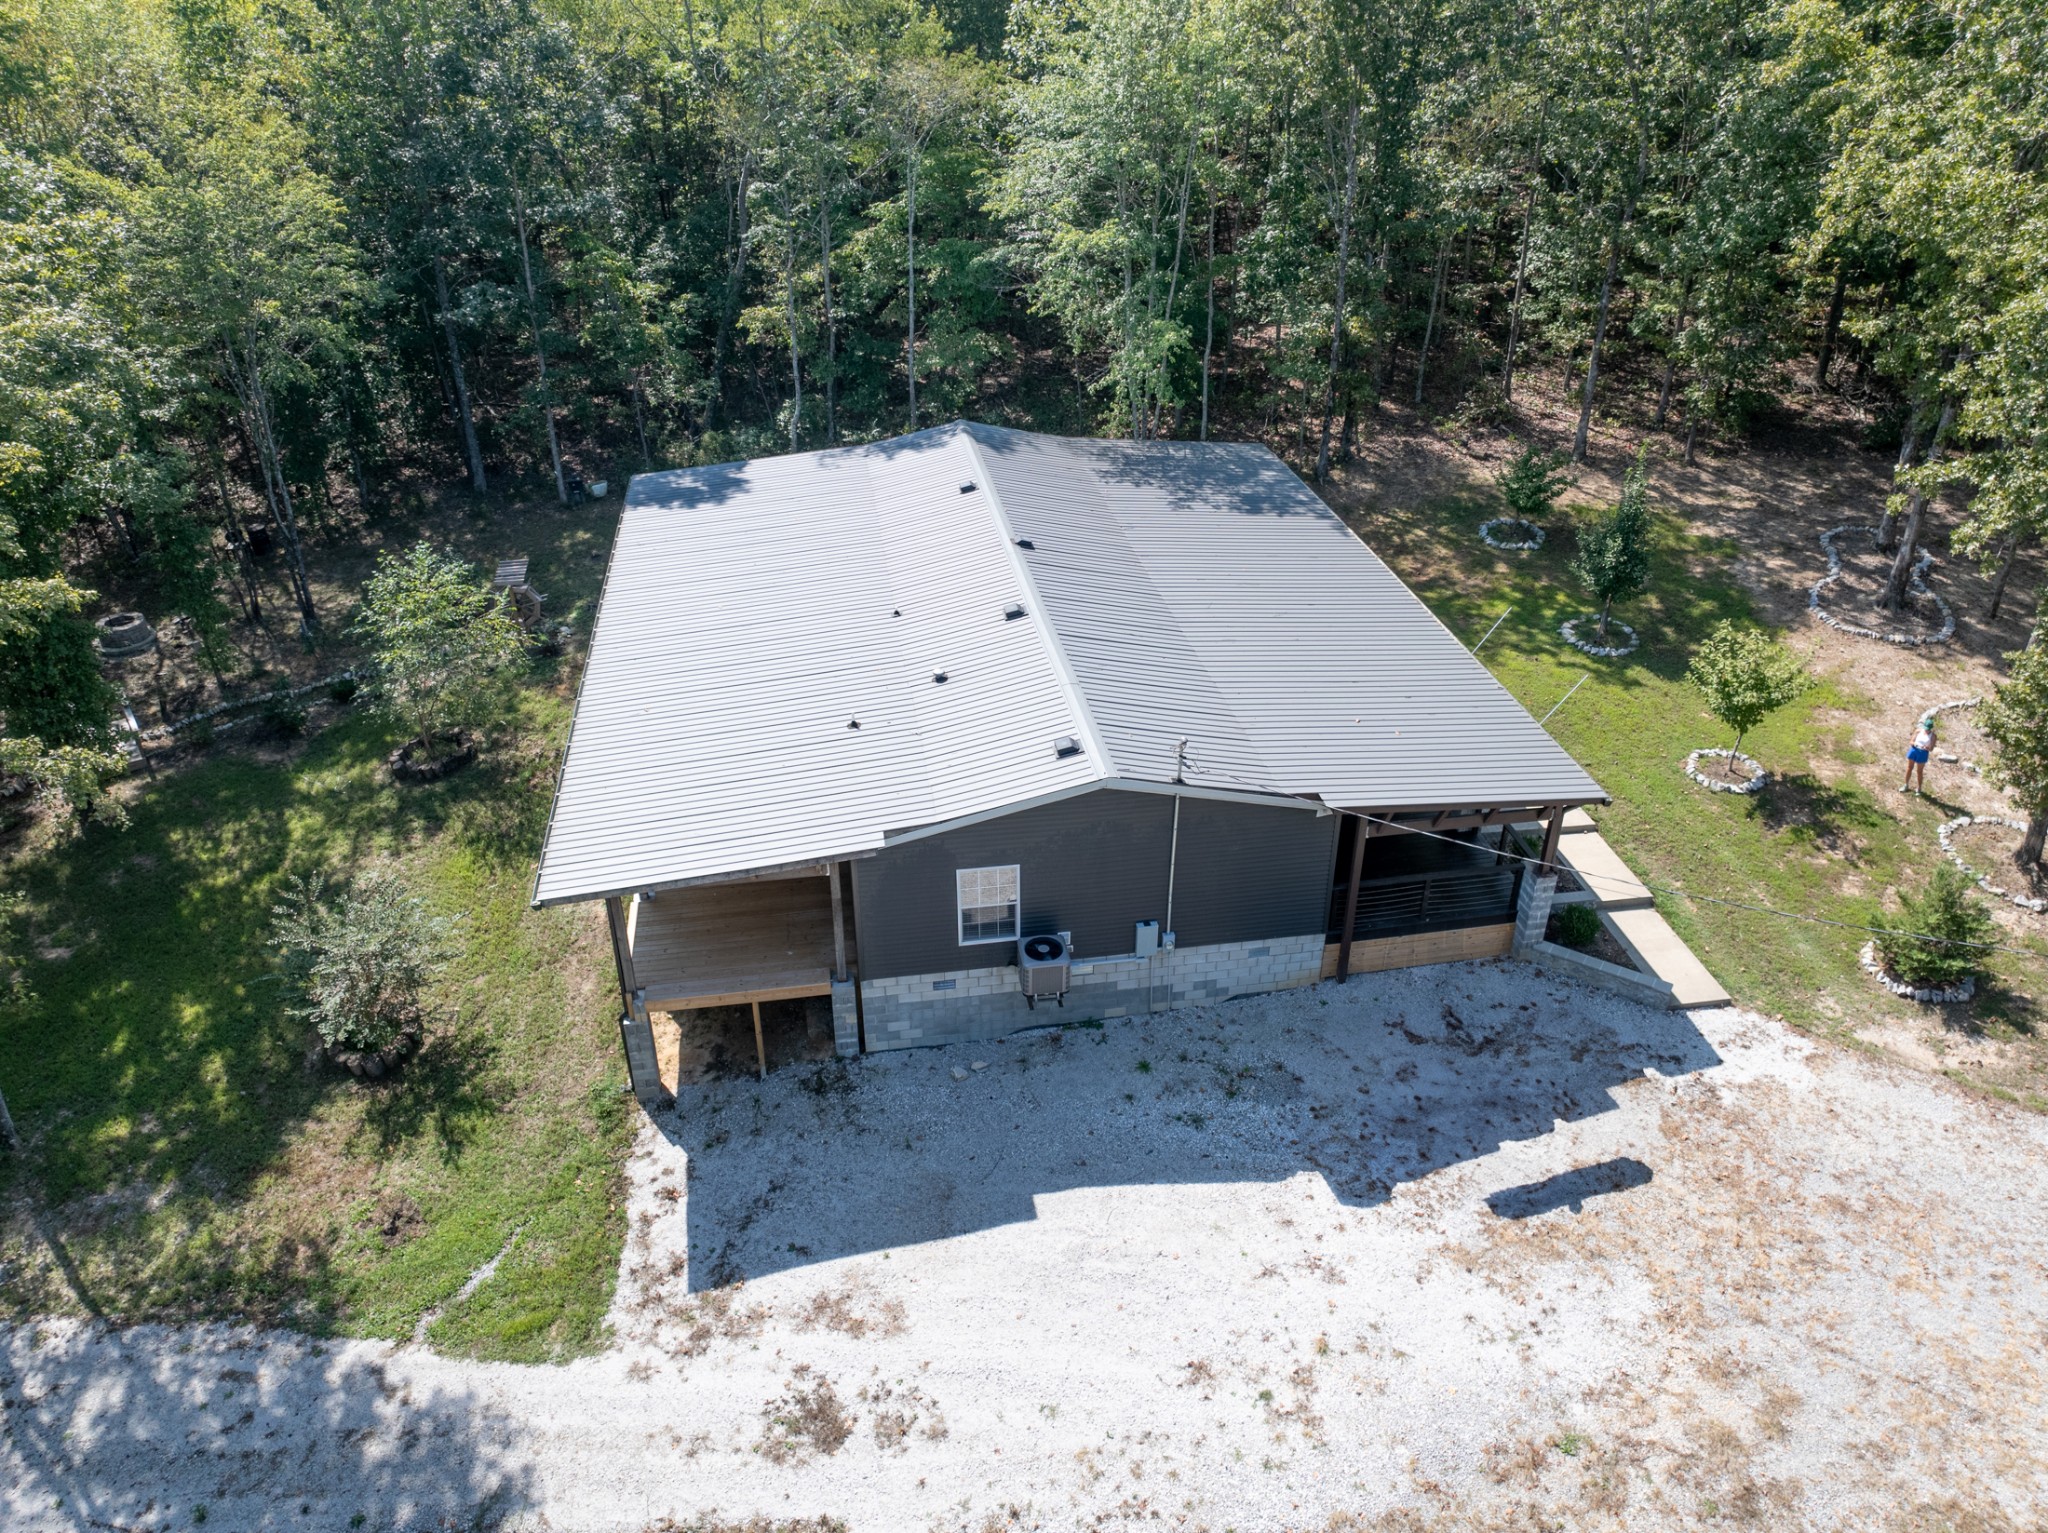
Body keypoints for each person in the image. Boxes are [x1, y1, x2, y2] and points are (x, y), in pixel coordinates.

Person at [1902, 714, 1937, 794]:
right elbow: (1911, 741)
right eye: (1926, 729)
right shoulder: (1918, 731)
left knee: (1919, 771)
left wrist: (1927, 748)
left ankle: (1919, 788)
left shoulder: (1933, 736)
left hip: (1923, 753)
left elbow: (1931, 748)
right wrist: (1914, 744)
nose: (1927, 731)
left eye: (1928, 729)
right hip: (1914, 750)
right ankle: (1906, 784)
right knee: (1909, 768)